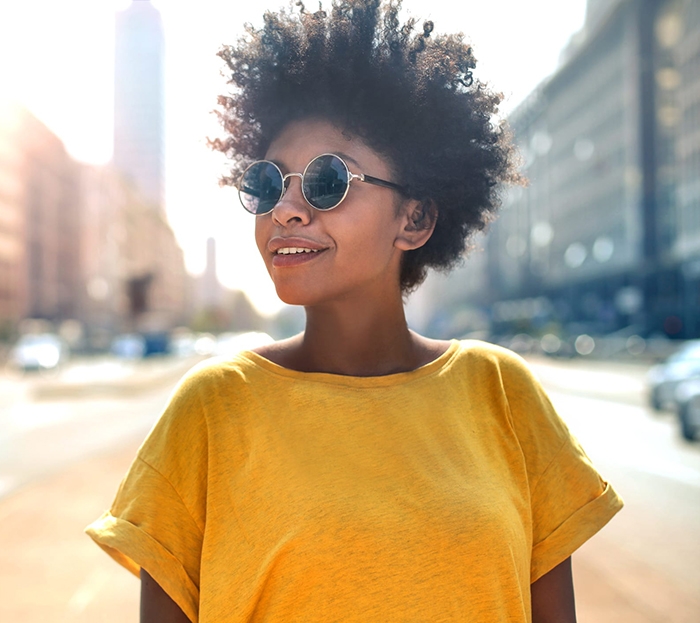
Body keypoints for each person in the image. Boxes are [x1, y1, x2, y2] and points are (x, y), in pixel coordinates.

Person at [86, 1, 623, 621]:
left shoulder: (502, 392)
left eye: (326, 181)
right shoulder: (212, 407)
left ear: (414, 218)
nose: (286, 209)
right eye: (268, 183)